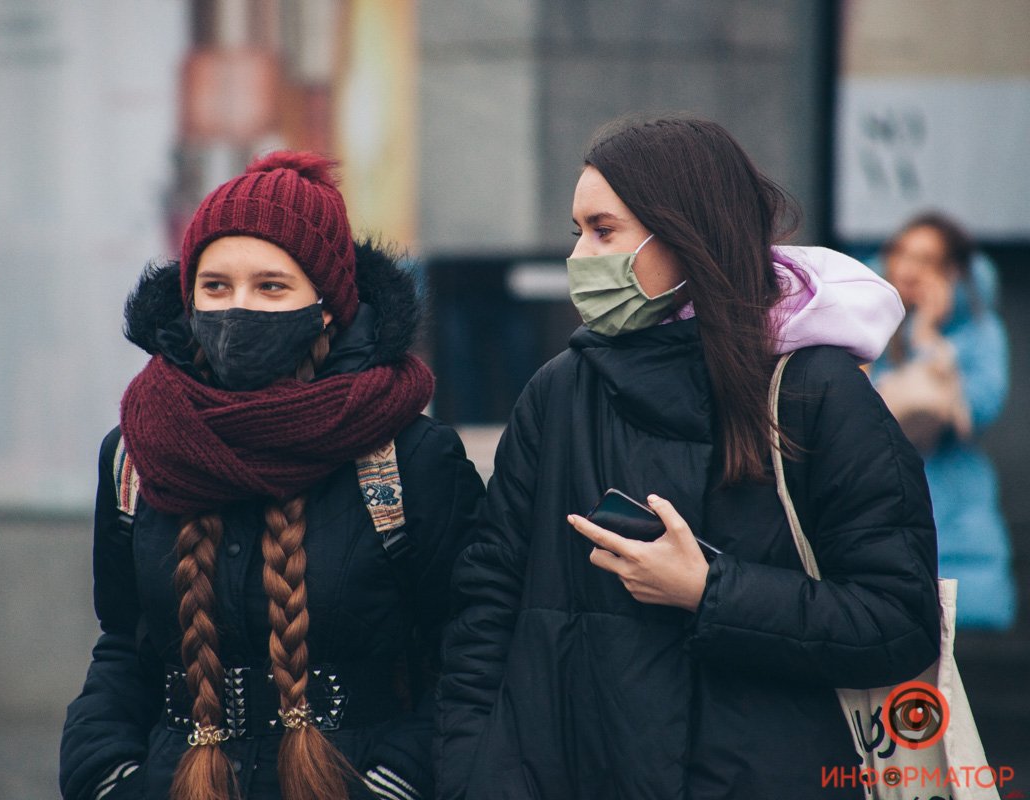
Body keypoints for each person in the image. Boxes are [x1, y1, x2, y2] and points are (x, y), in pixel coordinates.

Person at [436, 116, 941, 799]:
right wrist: (474, 775)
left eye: (604, 230)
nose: (581, 256)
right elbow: (487, 612)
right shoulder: (560, 392)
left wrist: (711, 592)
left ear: (684, 233)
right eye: (576, 230)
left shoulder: (816, 392)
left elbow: (898, 621)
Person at [60, 151, 484, 800]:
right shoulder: (135, 452)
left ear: (325, 307)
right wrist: (108, 777)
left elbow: (467, 651)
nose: (239, 310)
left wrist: (396, 784)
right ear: (188, 296)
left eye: (272, 286)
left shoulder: (407, 457)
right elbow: (124, 647)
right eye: (216, 286)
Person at [871, 212, 1015, 630]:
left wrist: (927, 338)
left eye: (927, 259)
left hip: (955, 515)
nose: (910, 269)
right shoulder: (862, 331)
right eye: (901, 254)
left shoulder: (978, 333)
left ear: (952, 272)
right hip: (883, 508)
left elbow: (973, 408)